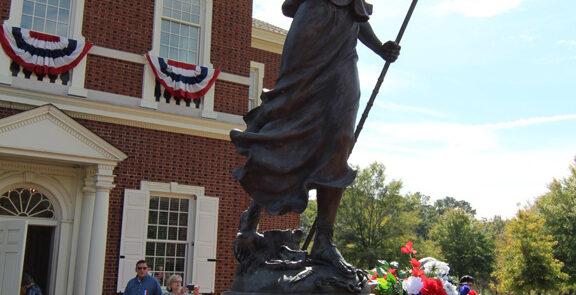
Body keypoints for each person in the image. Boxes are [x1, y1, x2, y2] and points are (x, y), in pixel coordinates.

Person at [231, 0, 400, 276]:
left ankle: (324, 240)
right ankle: (252, 216)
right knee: (289, 122)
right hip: (315, 22)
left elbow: (354, 10)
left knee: (341, 136)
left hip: (344, 43)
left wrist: (380, 47)